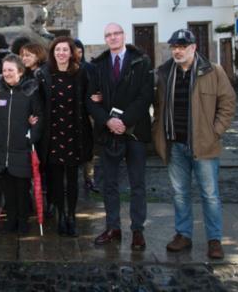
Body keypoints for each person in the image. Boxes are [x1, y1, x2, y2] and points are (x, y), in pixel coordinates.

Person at [153, 29, 236, 260]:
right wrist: (157, 131)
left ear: (193, 48)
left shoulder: (213, 71)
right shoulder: (165, 73)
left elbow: (228, 103)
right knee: (180, 194)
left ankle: (214, 240)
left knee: (210, 195)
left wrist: (215, 131)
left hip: (203, 145)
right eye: (174, 47)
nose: (177, 51)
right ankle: (183, 234)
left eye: (182, 47)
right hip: (175, 144)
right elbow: (158, 107)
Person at [87, 23, 153, 250]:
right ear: (105, 39)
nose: (113, 37)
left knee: (137, 184)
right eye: (109, 35)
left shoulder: (141, 61)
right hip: (109, 132)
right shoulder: (98, 65)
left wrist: (124, 121)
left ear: (124, 35)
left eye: (116, 33)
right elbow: (90, 100)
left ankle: (137, 230)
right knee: (109, 184)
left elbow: (146, 96)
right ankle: (113, 227)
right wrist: (108, 121)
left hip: (135, 131)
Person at [35, 37, 92, 237]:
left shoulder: (81, 72)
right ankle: (60, 215)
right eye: (57, 50)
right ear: (53, 53)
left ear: (71, 53)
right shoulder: (43, 74)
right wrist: (33, 117)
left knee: (73, 179)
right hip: (52, 134)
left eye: (65, 50)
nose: (61, 53)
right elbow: (37, 102)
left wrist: (97, 98)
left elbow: (89, 97)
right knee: (56, 179)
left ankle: (71, 216)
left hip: (75, 132)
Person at [0, 55, 41, 234]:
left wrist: (30, 137)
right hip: (1, 148)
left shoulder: (31, 91)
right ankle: (11, 220)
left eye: (10, 70)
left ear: (20, 72)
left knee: (22, 188)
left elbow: (39, 116)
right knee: (7, 187)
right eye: (4, 70)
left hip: (21, 147)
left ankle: (23, 221)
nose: (6, 73)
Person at [75, 38, 100, 194]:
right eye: (75, 51)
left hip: (88, 114)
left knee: (89, 147)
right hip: (73, 113)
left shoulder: (90, 68)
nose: (78, 55)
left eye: (80, 51)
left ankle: (89, 178)